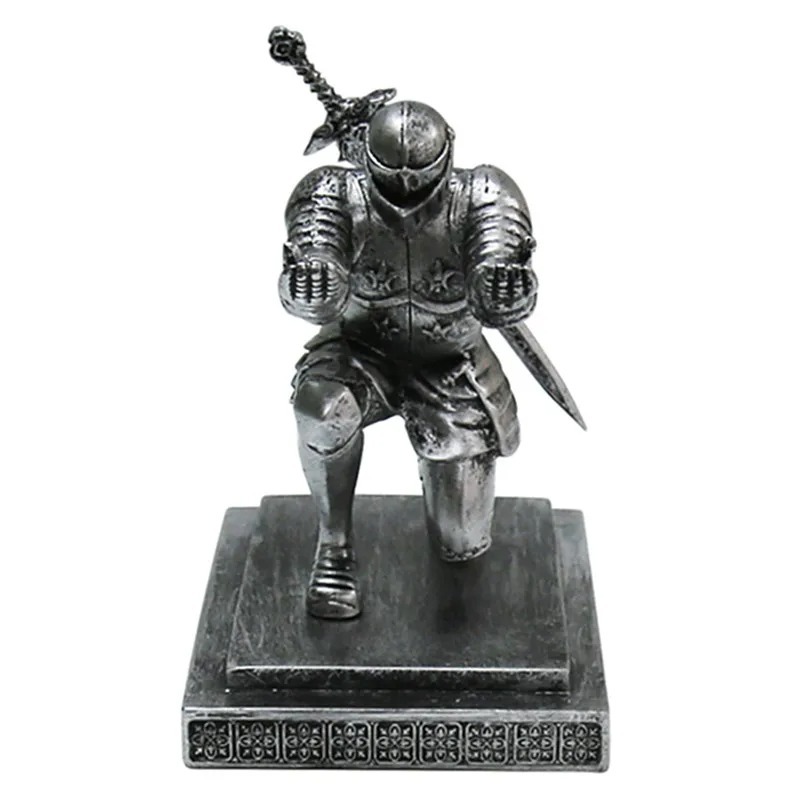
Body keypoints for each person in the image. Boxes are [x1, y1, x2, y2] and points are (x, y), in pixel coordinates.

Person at [279, 100, 538, 619]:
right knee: (322, 409)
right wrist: (313, 283)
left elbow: (496, 281)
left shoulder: (485, 195)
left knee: (461, 540)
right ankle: (333, 546)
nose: (405, 192)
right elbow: (316, 284)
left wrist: (503, 286)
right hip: (360, 351)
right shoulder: (331, 194)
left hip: (450, 364)